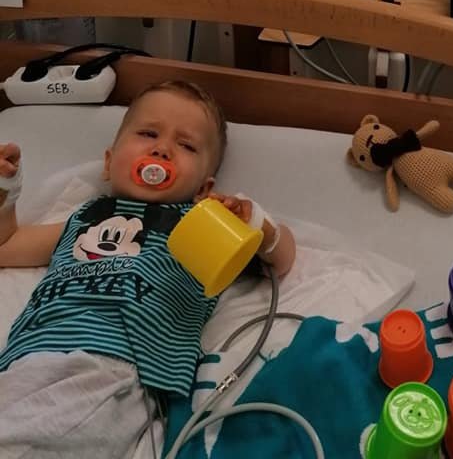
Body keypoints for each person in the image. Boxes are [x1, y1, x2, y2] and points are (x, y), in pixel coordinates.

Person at [0, 80, 295, 456]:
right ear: (109, 163)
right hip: (25, 358)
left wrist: (257, 224)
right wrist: (6, 198)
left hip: (116, 366)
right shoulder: (82, 218)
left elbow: (282, 260)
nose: (162, 149)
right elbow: (6, 246)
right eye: (148, 134)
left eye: (186, 145)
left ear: (203, 189)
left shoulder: (203, 225)